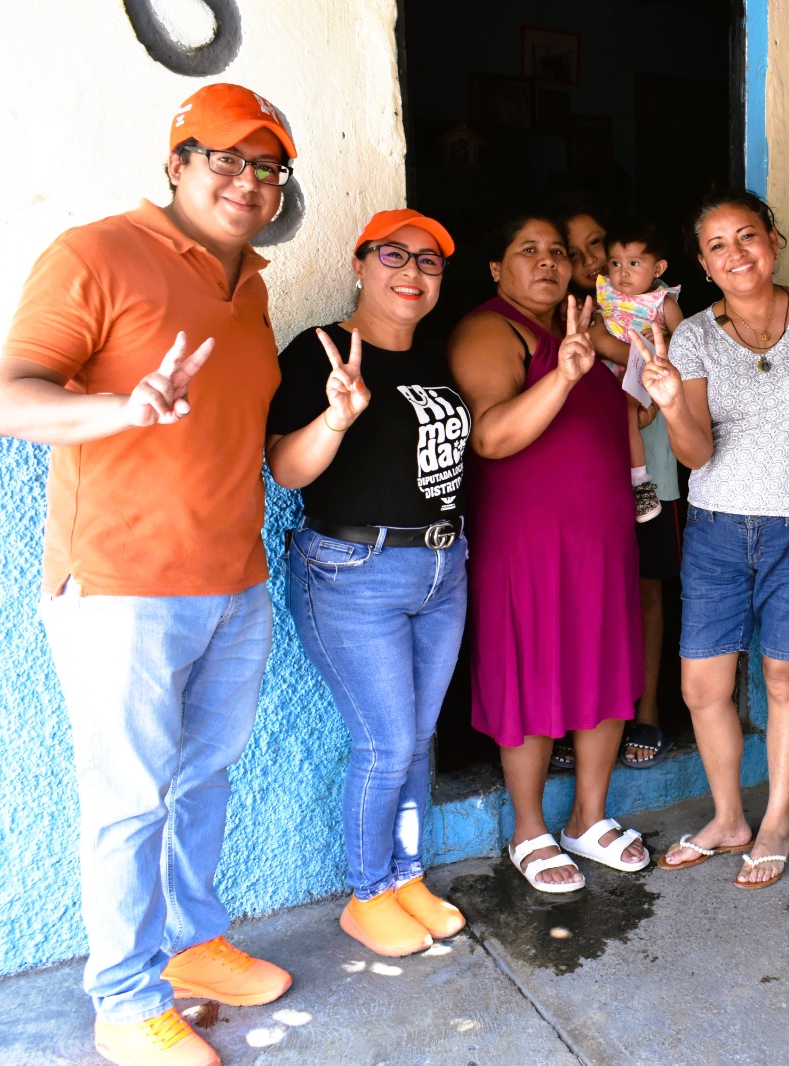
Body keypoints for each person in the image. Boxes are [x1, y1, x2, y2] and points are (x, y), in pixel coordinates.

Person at [0, 83, 296, 1066]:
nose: (248, 181)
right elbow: (10, 402)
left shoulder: (251, 286)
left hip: (233, 583)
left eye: (268, 165)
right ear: (176, 163)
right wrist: (123, 410)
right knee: (127, 800)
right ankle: (123, 1001)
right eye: (225, 158)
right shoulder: (93, 253)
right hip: (120, 587)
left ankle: (193, 946)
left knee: (202, 779)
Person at [266, 209, 470, 957]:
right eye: (395, 255)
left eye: (430, 262)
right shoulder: (317, 351)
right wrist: (337, 416)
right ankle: (367, 893)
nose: (411, 272)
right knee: (384, 743)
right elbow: (286, 471)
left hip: (443, 569)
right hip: (354, 572)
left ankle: (406, 875)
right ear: (360, 264)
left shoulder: (441, 358)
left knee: (416, 738)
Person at [642, 190, 789, 888]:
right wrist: (669, 404)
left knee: (786, 675)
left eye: (747, 236)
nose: (737, 254)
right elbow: (696, 455)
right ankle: (729, 817)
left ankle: (777, 819)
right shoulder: (693, 335)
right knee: (703, 684)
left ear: (774, 239)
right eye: (718, 246)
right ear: (701, 263)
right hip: (718, 528)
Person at [449, 213, 650, 893]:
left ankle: (588, 819)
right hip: (526, 539)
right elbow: (492, 437)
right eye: (526, 250)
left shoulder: (583, 327)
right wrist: (563, 376)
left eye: (557, 251)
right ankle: (529, 828)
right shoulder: (489, 328)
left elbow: (641, 382)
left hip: (601, 534)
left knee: (603, 667)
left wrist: (627, 361)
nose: (546, 262)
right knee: (530, 672)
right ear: (497, 269)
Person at [557, 200, 684, 772]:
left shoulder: (650, 306)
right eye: (579, 252)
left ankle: (648, 709)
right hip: (584, 478)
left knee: (647, 588)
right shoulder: (563, 309)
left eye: (598, 247)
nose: (593, 263)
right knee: (583, 594)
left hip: (651, 469)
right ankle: (575, 716)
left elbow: (671, 355)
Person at [591, 218, 685, 525]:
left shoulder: (662, 302)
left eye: (633, 262)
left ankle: (640, 482)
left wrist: (664, 349)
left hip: (637, 375)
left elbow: (684, 344)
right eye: (615, 263)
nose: (622, 272)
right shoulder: (605, 291)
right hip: (602, 370)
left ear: (658, 269)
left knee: (627, 413)